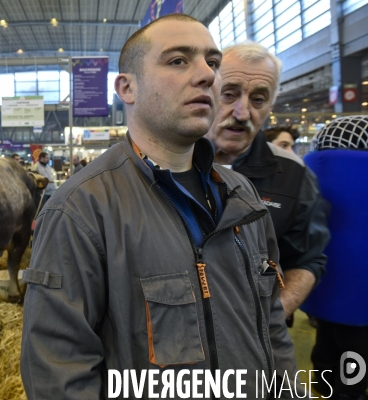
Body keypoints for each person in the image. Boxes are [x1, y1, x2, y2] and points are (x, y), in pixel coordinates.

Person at [21, 14, 298, 399]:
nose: (206, 76)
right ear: (127, 87)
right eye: (178, 61)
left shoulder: (242, 195)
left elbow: (271, 326)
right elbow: (58, 371)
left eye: (212, 63)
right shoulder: (82, 210)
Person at [206, 42, 330, 322]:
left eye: (258, 99)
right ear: (208, 92)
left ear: (271, 105)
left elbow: (307, 259)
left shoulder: (293, 175)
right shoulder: (168, 164)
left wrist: (271, 319)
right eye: (229, 94)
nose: (242, 112)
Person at [301, 115, 368, 400]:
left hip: (319, 269)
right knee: (357, 342)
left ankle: (322, 376)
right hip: (361, 277)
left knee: (327, 330)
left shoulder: (307, 169)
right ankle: (349, 392)